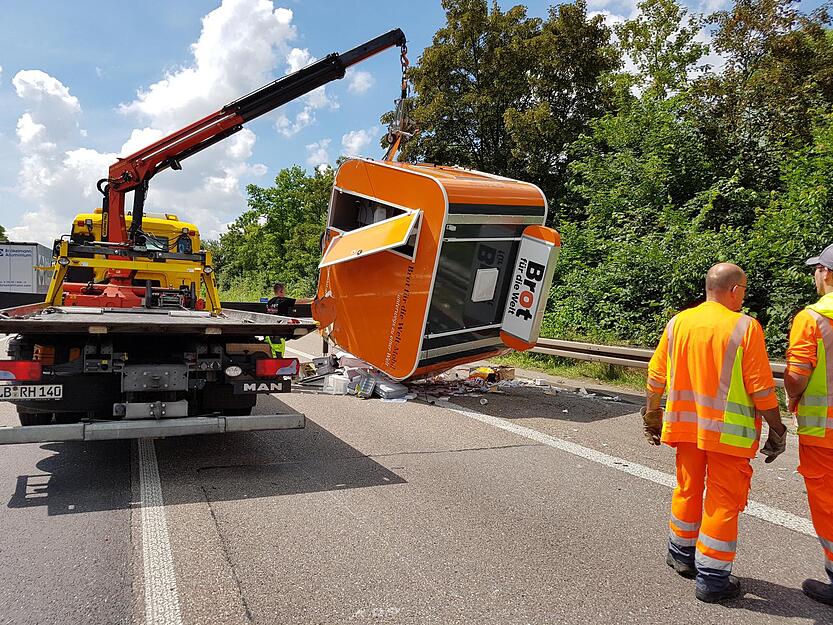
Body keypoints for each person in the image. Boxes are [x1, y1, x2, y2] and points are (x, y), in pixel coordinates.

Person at [643, 263, 787, 603]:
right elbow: (761, 390)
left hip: (683, 428)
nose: (745, 297)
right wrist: (778, 429)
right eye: (745, 290)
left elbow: (655, 376)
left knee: (688, 489)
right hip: (728, 436)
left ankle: (681, 554)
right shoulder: (745, 327)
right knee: (723, 502)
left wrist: (652, 416)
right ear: (734, 290)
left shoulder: (678, 323)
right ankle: (712, 578)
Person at [784, 243, 833, 606]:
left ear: (827, 273)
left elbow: (798, 373)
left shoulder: (813, 318)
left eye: (817, 269)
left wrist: (791, 395)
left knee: (829, 504)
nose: (815, 275)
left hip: (825, 433)